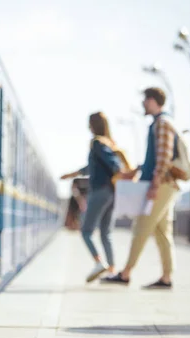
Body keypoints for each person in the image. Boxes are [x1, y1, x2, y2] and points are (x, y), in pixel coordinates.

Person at [102, 87, 179, 289]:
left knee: (141, 227)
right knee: (162, 232)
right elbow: (156, 158)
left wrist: (154, 183)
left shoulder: (162, 123)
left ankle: (126, 273)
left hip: (160, 185)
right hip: (163, 183)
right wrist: (138, 169)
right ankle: (166, 277)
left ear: (152, 100)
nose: (143, 104)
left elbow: (164, 157)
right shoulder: (160, 123)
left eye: (145, 100)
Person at [61, 112, 123, 283]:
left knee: (86, 230)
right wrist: (72, 174)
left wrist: (118, 169)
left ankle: (99, 263)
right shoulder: (109, 143)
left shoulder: (97, 143)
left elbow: (114, 164)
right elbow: (93, 167)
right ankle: (111, 270)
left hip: (100, 191)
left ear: (94, 125)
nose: (88, 127)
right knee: (105, 233)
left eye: (90, 124)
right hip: (112, 193)